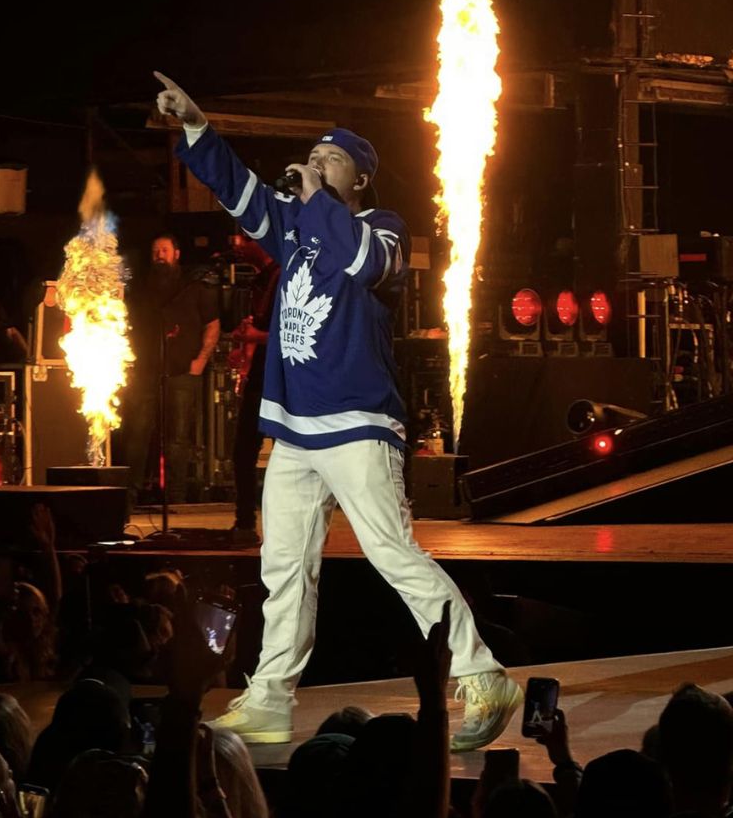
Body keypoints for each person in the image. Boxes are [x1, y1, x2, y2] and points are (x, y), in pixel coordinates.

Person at [153, 71, 523, 752]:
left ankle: (483, 674)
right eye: (313, 157)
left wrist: (317, 198)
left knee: (392, 553)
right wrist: (197, 125)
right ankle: (269, 697)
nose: (315, 166)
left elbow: (360, 262)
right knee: (283, 564)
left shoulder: (381, 228)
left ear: (359, 180)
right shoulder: (295, 225)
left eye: (332, 161)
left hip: (357, 424)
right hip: (297, 430)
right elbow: (240, 193)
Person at [123, 233, 220, 505]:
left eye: (164, 250)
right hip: (146, 372)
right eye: (155, 250)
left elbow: (212, 325)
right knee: (138, 434)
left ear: (176, 254)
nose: (159, 255)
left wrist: (200, 361)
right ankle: (131, 495)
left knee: (177, 439)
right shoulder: (142, 288)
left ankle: (175, 499)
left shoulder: (193, 286)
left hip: (182, 372)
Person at [226, 233, 280, 545]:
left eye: (245, 241)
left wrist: (253, 338)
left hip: (282, 380)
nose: (240, 249)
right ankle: (245, 522)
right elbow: (260, 328)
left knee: (290, 455)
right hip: (260, 376)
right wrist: (244, 351)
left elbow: (287, 335)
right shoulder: (261, 281)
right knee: (243, 450)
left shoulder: (283, 276)